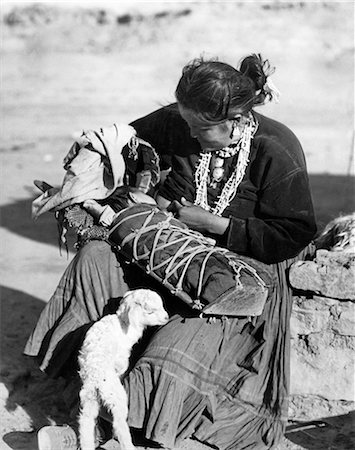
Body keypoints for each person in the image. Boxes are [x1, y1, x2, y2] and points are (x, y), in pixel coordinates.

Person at [25, 53, 317, 450]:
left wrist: (215, 226)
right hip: (164, 252)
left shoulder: (275, 148)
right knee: (95, 259)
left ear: (234, 121)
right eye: (185, 121)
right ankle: (87, 390)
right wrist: (89, 165)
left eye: (199, 127)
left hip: (237, 278)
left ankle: (105, 430)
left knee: (168, 353)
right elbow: (125, 140)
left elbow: (295, 231)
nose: (189, 133)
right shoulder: (178, 121)